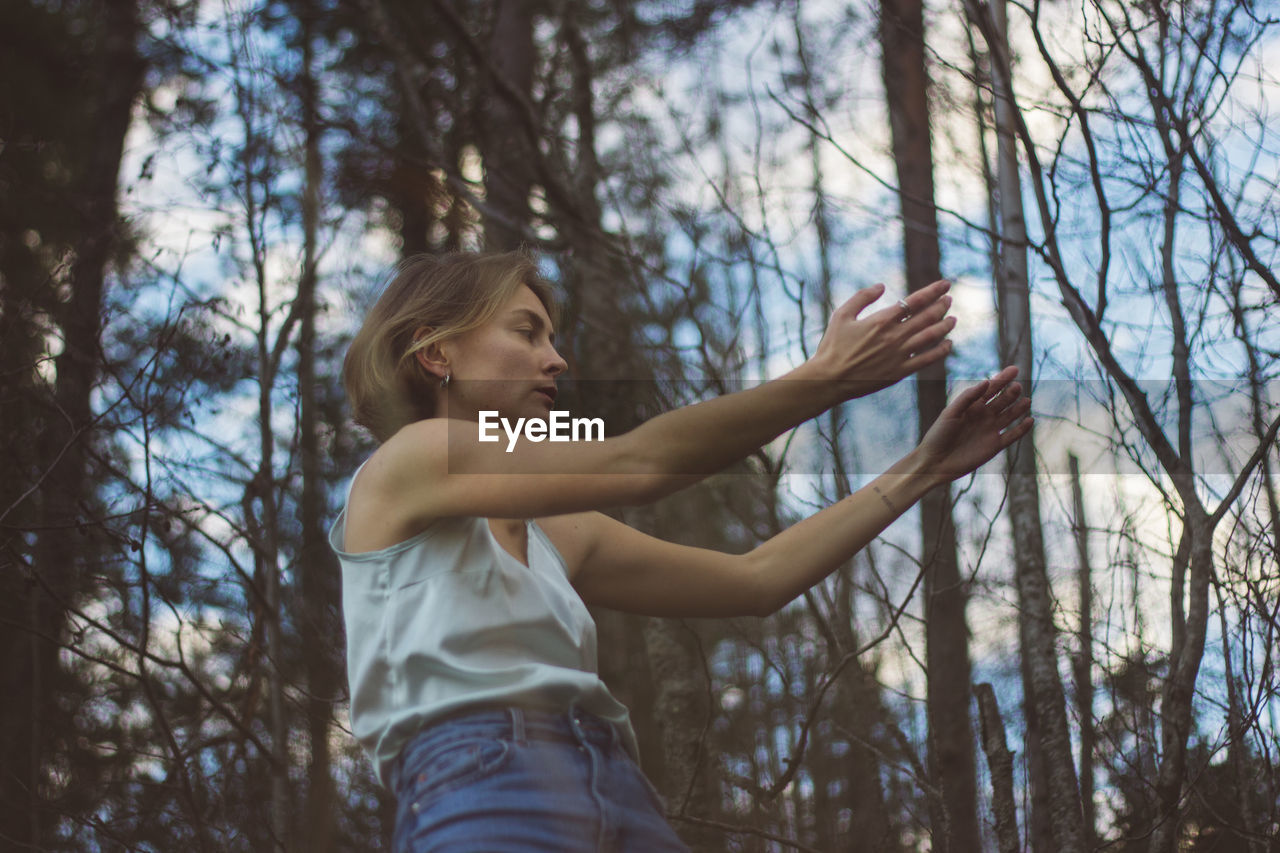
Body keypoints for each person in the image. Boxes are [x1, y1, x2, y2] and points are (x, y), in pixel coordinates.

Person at [328, 250, 1033, 852]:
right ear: (436, 351)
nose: (556, 358)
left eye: (553, 336)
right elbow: (643, 461)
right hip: (478, 777)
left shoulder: (558, 531)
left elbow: (755, 580)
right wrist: (827, 379)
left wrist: (923, 469)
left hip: (618, 788)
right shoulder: (410, 460)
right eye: (527, 331)